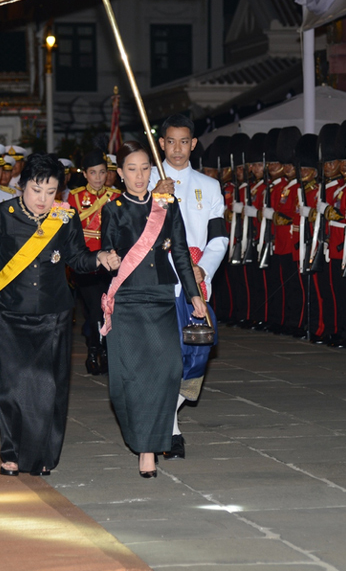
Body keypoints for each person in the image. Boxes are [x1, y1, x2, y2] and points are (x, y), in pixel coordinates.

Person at [0, 154, 120, 476]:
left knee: (49, 386)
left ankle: (43, 456)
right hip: (8, 315)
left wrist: (99, 259)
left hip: (54, 315)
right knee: (12, 386)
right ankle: (11, 452)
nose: (43, 199)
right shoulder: (2, 215)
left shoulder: (65, 218)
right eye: (36, 190)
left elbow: (77, 259)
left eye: (51, 192)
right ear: (22, 186)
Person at [100, 140, 206, 478]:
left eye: (145, 168)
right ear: (120, 173)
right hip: (127, 300)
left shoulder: (166, 204)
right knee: (129, 378)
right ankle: (144, 448)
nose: (140, 175)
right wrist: (109, 257)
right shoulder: (113, 209)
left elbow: (180, 257)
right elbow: (107, 247)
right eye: (132, 169)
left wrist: (193, 295)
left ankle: (156, 438)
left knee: (168, 370)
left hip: (160, 297)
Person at [149, 114, 226, 461]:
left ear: (193, 144)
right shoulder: (146, 178)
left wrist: (202, 269)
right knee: (160, 356)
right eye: (170, 141)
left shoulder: (208, 186)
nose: (177, 149)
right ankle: (171, 429)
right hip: (153, 279)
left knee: (195, 354)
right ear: (161, 143)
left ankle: (167, 417)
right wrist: (152, 197)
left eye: (184, 141)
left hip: (193, 280)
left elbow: (219, 237)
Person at [67, 149, 121, 374]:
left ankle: (106, 350)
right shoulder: (75, 197)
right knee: (92, 310)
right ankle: (94, 350)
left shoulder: (115, 196)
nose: (98, 177)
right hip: (86, 262)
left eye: (102, 172)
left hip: (110, 262)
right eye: (93, 173)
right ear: (85, 174)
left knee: (109, 308)